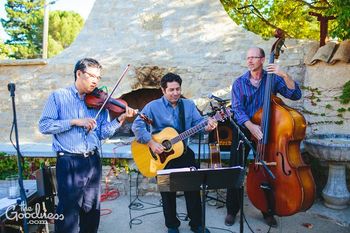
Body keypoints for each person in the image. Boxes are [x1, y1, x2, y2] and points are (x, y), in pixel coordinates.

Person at [39, 58, 136, 233]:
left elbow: (101, 133)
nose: (95, 81)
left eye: (98, 78)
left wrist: (119, 121)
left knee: (92, 209)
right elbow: (44, 126)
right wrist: (75, 121)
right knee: (68, 211)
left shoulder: (98, 101)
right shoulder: (59, 97)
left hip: (92, 160)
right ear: (79, 74)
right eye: (92, 76)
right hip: (69, 162)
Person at [225, 47, 302, 227]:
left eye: (254, 57)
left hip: (268, 129)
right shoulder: (239, 83)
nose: (250, 60)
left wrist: (284, 75)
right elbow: (237, 109)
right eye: (248, 57)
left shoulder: (273, 79)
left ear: (262, 59)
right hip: (246, 127)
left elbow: (295, 95)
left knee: (268, 168)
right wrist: (251, 127)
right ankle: (231, 210)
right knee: (236, 168)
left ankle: (267, 210)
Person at [132, 73, 217, 233]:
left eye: (178, 89)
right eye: (171, 90)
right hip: (161, 157)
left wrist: (206, 126)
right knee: (167, 194)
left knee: (193, 190)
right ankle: (172, 226)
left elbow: (198, 124)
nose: (175, 93)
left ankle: (197, 224)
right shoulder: (152, 107)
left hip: (184, 154)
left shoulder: (188, 105)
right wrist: (151, 142)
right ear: (163, 90)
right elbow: (137, 126)